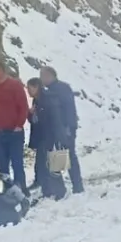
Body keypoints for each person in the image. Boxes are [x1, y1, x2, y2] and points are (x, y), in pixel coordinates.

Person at [0, 61, 30, 191]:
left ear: (1, 70)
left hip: (14, 132)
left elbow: (23, 107)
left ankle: (21, 191)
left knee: (17, 163)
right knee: (2, 165)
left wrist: (19, 125)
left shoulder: (15, 85)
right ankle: (6, 192)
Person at [38, 66, 83, 194]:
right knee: (58, 156)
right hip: (55, 129)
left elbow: (69, 110)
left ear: (51, 76)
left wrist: (69, 128)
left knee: (69, 156)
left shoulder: (62, 89)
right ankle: (59, 188)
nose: (42, 79)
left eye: (43, 76)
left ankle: (77, 186)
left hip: (65, 128)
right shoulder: (48, 91)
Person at [26, 77, 67, 200]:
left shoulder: (49, 98)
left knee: (54, 164)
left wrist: (59, 137)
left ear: (36, 87)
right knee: (42, 165)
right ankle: (46, 190)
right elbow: (34, 120)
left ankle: (60, 190)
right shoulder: (36, 100)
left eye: (29, 88)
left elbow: (55, 119)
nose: (28, 91)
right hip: (41, 137)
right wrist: (30, 114)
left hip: (51, 136)